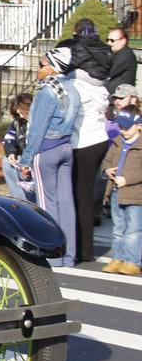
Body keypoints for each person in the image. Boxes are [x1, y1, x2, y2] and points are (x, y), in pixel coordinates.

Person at [18, 47, 82, 268]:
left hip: (46, 150)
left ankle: (52, 256)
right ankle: (69, 256)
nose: (38, 68)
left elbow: (37, 130)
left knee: (47, 206)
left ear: (52, 68)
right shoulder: (73, 89)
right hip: (66, 147)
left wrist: (25, 160)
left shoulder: (47, 91)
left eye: (41, 64)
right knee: (66, 203)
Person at [64, 47, 111, 263]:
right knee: (88, 193)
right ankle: (86, 248)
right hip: (100, 140)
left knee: (77, 196)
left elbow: (69, 114)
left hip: (82, 142)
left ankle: (80, 250)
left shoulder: (76, 85)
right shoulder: (100, 85)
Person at [100, 106, 142, 275]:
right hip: (117, 191)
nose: (123, 130)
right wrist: (107, 171)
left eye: (126, 127)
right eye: (121, 126)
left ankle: (132, 261)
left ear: (139, 125)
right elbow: (107, 161)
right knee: (118, 227)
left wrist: (127, 179)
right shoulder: (118, 142)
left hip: (135, 194)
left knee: (133, 229)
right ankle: (118, 257)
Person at [2, 93, 36, 203]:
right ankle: (19, 197)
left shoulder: (37, 123)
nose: (20, 116)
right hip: (21, 156)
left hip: (33, 157)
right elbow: (9, 139)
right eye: (18, 112)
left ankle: (32, 199)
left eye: (23, 113)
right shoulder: (16, 123)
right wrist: (11, 153)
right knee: (6, 162)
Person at [57, 18, 111, 86]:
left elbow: (74, 63)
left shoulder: (80, 44)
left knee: (63, 78)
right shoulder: (101, 44)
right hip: (104, 78)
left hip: (90, 77)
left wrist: (62, 73)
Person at [105, 28, 137, 93]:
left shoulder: (126, 55)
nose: (108, 43)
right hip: (112, 95)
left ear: (123, 41)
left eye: (112, 40)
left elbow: (107, 72)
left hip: (120, 98)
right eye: (107, 40)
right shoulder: (114, 54)